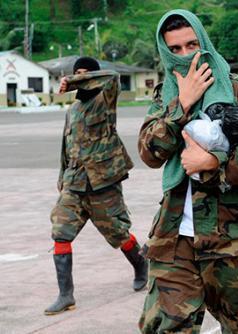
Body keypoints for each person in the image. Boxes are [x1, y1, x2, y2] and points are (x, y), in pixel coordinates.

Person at [137, 10, 238, 333]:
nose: (185, 55)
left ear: (205, 43)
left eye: (192, 45)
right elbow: (149, 152)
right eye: (175, 49)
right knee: (165, 327)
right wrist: (181, 105)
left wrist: (215, 163)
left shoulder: (237, 90)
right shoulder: (164, 97)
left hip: (230, 235)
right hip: (175, 237)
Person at [45, 57, 148, 315]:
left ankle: (141, 265)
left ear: (94, 76)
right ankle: (66, 294)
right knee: (61, 231)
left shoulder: (106, 100)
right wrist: (62, 177)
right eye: (76, 73)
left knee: (118, 233)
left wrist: (74, 81)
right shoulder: (74, 110)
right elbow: (67, 148)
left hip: (103, 182)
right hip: (74, 182)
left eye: (86, 74)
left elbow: (112, 77)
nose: (80, 77)